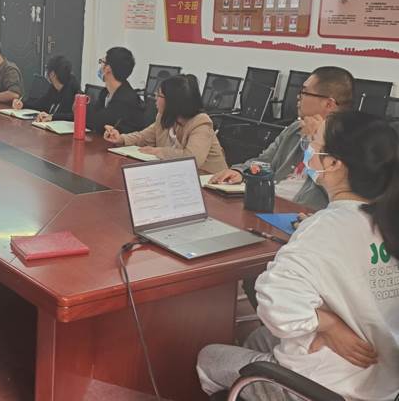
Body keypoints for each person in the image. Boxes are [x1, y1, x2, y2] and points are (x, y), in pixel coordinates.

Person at [197, 111, 399, 400]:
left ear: (333, 163)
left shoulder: (325, 229)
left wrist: (327, 324)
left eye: (314, 142)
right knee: (258, 338)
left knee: (209, 356)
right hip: (384, 384)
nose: (308, 148)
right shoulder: (387, 219)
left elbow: (276, 305)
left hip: (318, 387)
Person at [208, 66, 354, 211]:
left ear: (329, 104)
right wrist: (241, 172)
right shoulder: (295, 128)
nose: (298, 96)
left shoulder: (349, 142)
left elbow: (336, 191)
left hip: (303, 214)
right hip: (270, 204)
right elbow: (266, 161)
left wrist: (316, 141)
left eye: (304, 92)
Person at [104, 74, 227, 173]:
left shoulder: (201, 123)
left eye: (159, 95)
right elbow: (144, 137)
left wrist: (158, 152)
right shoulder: (164, 116)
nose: (155, 98)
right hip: (177, 176)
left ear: (173, 101)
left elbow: (192, 159)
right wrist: (120, 138)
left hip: (209, 183)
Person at [86, 47, 145, 133]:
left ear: (108, 69)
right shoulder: (105, 92)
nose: (100, 66)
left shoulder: (125, 99)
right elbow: (94, 118)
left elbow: (97, 123)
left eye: (101, 62)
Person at [11, 54, 80, 122]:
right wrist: (23, 104)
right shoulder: (54, 88)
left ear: (52, 74)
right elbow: (40, 103)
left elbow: (75, 116)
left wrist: (53, 117)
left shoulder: (75, 92)